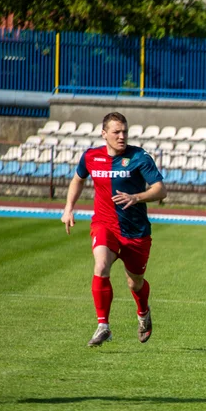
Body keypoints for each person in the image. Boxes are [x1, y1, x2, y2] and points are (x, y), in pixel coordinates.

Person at [61, 112, 166, 346]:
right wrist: (68, 208)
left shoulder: (139, 157)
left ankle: (143, 312)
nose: (122, 136)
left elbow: (160, 189)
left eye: (125, 132)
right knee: (100, 265)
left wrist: (137, 197)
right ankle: (103, 326)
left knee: (135, 282)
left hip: (135, 231)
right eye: (116, 132)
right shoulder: (91, 157)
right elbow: (78, 179)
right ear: (104, 133)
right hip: (104, 224)